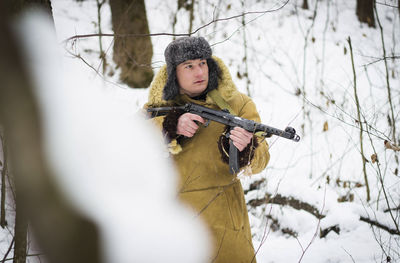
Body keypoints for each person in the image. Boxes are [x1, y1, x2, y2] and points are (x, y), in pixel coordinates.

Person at [144, 36, 270, 263]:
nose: (199, 72)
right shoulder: (158, 106)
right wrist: (169, 126)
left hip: (226, 220)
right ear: (174, 72)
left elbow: (262, 159)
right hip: (176, 220)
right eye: (189, 66)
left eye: (202, 63)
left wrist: (247, 149)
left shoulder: (238, 104)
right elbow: (130, 141)